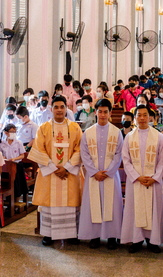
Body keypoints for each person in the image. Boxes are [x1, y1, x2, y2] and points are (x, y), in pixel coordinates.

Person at [28, 97, 83, 246]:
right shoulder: (44, 128)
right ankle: (49, 235)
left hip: (69, 173)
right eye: (56, 107)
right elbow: (39, 150)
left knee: (70, 203)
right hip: (50, 174)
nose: (59, 110)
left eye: (62, 107)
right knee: (49, 204)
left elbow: (80, 149)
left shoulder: (75, 128)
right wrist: (54, 168)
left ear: (66, 109)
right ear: (52, 109)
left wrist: (66, 168)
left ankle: (72, 234)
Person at [78, 99, 124, 250]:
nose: (102, 114)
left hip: (111, 176)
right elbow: (84, 154)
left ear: (110, 113)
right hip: (93, 176)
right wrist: (94, 172)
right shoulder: (88, 133)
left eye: (105, 111)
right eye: (100, 111)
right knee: (93, 205)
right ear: (95, 112)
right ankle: (94, 236)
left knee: (112, 206)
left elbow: (119, 154)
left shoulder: (117, 133)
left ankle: (112, 236)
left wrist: (109, 171)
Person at [120, 104, 163, 253]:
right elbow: (125, 160)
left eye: (145, 115)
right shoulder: (129, 137)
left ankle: (153, 241)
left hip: (154, 181)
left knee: (153, 210)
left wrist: (155, 177)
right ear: (135, 118)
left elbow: (162, 160)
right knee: (135, 210)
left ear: (150, 117)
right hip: (136, 181)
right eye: (138, 115)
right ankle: (136, 240)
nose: (142, 118)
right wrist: (136, 177)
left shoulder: (158, 136)